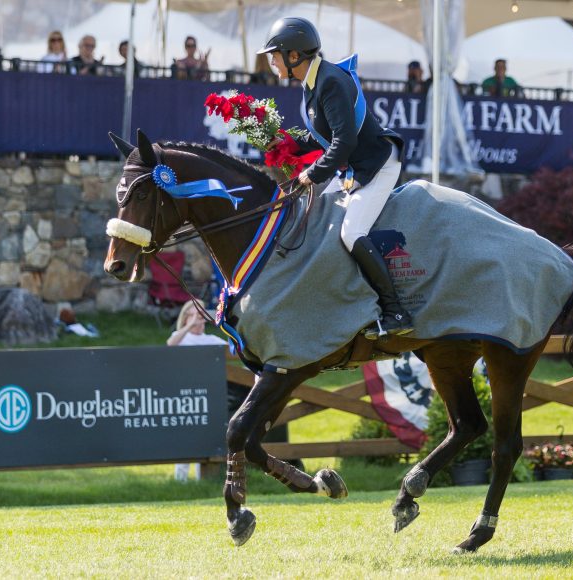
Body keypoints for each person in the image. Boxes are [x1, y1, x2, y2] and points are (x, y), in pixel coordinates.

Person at [258, 16, 413, 340]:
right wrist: (289, 142)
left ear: (294, 56)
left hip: (377, 164)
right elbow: (326, 137)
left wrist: (311, 175)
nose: (272, 62)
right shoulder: (314, 83)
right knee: (309, 219)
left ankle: (395, 310)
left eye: (275, 55)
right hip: (354, 164)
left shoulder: (329, 82)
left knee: (351, 232)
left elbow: (345, 143)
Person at [168, 300, 227, 481]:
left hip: (207, 396)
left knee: (204, 438)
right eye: (195, 315)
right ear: (185, 317)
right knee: (184, 438)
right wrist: (189, 326)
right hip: (183, 397)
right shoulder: (181, 337)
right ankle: (181, 481)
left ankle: (203, 481)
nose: (199, 320)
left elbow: (232, 350)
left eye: (201, 316)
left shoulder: (211, 340)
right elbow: (170, 344)